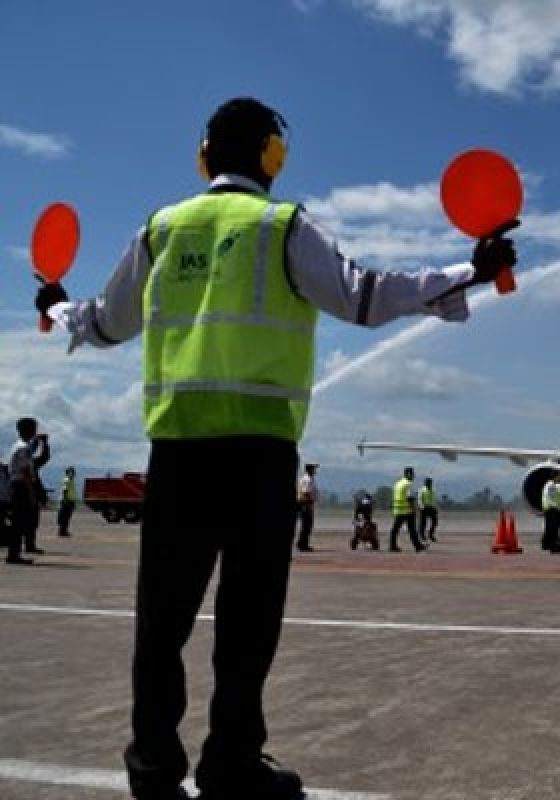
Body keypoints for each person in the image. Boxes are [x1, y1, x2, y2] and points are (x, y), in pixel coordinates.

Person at [36, 96, 517, 800]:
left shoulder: (160, 230)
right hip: (260, 458)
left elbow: (105, 324)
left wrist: (53, 304)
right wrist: (468, 271)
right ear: (273, 156)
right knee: (247, 627)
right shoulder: (282, 226)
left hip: (178, 452)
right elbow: (366, 297)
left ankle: (152, 771)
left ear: (203, 156)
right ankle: (231, 763)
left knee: (159, 626)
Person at [8, 418, 49, 563]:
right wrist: (31, 493)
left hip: (16, 486)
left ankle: (14, 554)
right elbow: (25, 472)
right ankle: (13, 555)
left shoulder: (17, 446)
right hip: (21, 487)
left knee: (17, 523)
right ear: (31, 430)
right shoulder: (23, 448)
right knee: (20, 522)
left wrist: (39, 442)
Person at [390, 467, 419, 552]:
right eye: (413, 474)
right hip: (407, 510)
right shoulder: (408, 484)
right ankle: (418, 546)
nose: (414, 475)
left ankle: (392, 546)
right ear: (408, 474)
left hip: (398, 510)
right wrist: (414, 509)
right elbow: (410, 498)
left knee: (395, 529)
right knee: (412, 529)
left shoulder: (398, 483)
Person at [295, 463, 318, 552]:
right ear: (310, 469)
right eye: (314, 468)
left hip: (305, 503)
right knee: (306, 525)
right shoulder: (307, 479)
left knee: (306, 525)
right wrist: (309, 502)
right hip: (305, 504)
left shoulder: (307, 478)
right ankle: (302, 545)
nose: (315, 470)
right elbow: (305, 492)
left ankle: (302, 543)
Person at [418, 477, 439, 544]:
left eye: (430, 482)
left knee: (435, 522)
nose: (429, 483)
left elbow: (434, 499)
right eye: (427, 482)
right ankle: (422, 535)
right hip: (424, 507)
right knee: (423, 523)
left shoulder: (433, 490)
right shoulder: (422, 490)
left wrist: (435, 507)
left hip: (431, 507)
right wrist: (422, 507)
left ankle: (430, 534)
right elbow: (420, 499)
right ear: (425, 483)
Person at [58, 465, 78, 537]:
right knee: (64, 517)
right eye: (72, 472)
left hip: (70, 500)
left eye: (73, 471)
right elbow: (65, 490)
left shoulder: (71, 480)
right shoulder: (67, 480)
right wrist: (66, 500)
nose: (74, 473)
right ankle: (62, 531)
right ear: (68, 472)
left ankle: (64, 531)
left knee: (67, 517)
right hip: (67, 501)